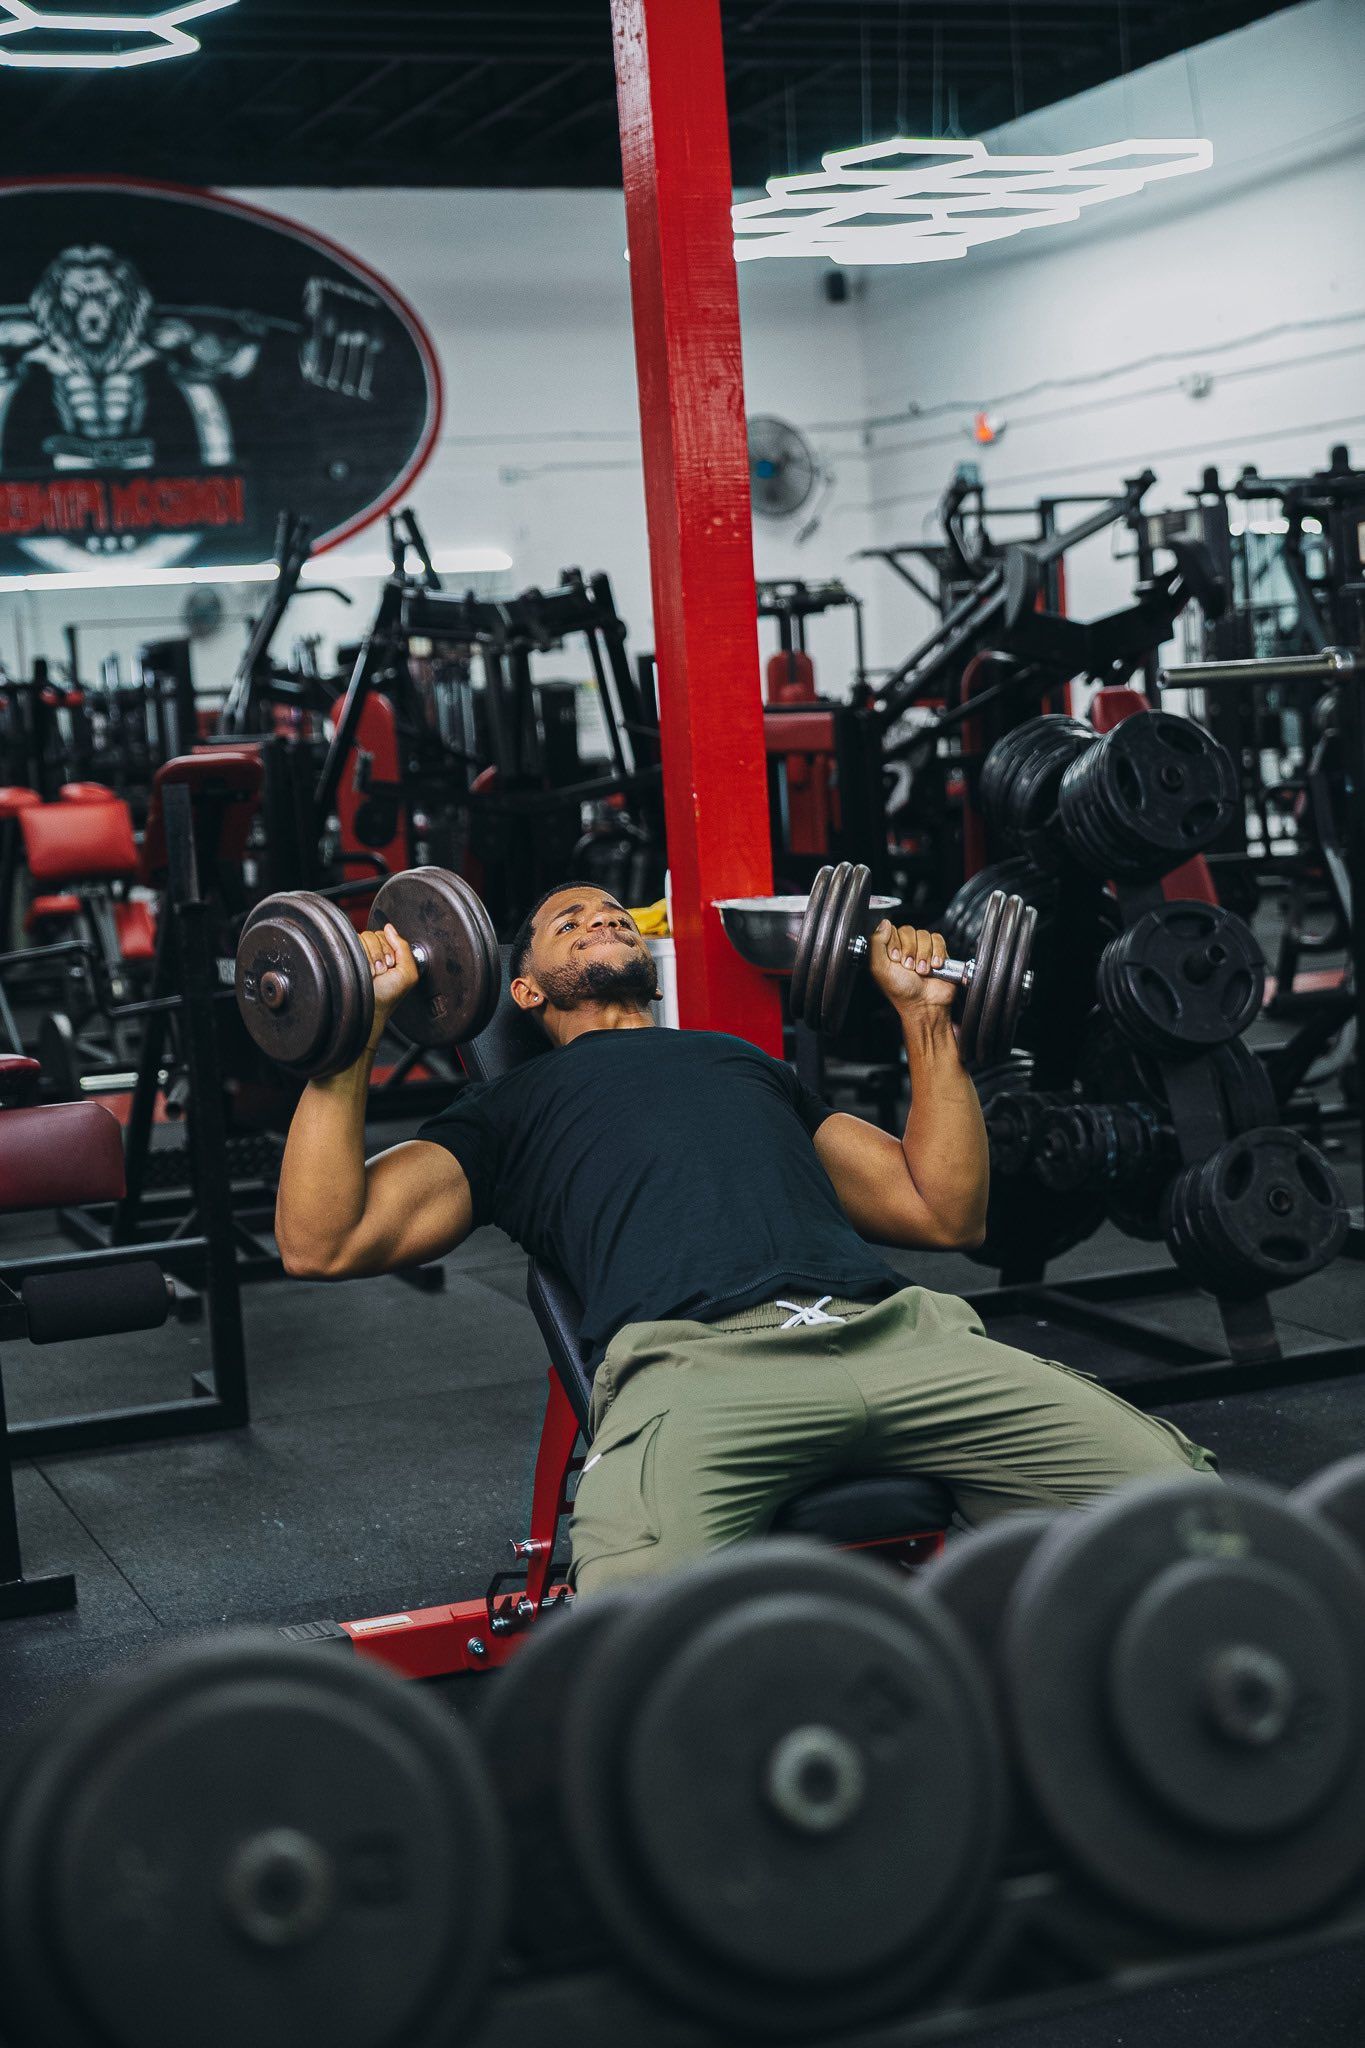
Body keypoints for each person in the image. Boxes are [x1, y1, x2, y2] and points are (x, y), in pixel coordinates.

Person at [275, 882, 1219, 1596]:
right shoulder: (507, 1109)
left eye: (613, 913)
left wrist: (925, 1021)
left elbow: (943, 1211)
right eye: (571, 921)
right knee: (636, 1628)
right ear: (521, 987)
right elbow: (322, 1241)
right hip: (702, 1373)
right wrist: (351, 1026)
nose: (603, 919)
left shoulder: (739, 1063)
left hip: (900, 1340)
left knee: (1192, 1514)